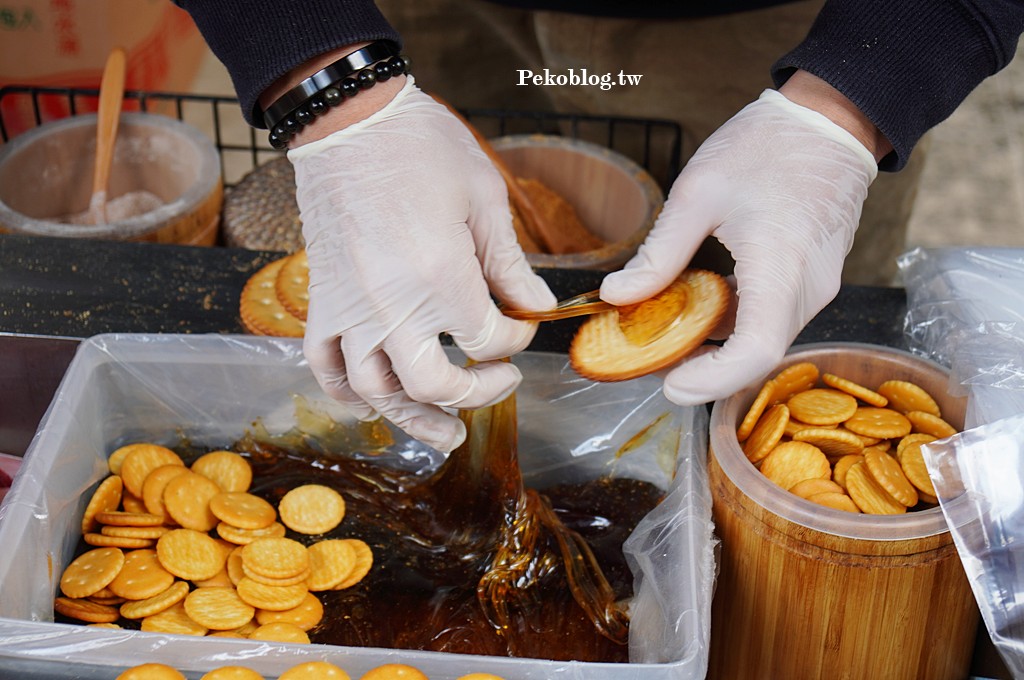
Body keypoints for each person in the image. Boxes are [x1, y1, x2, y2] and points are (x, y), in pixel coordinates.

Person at [177, 0, 1024, 453]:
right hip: (396, 16)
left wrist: (848, 107)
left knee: (792, 303)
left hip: (787, 26)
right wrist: (327, 87)